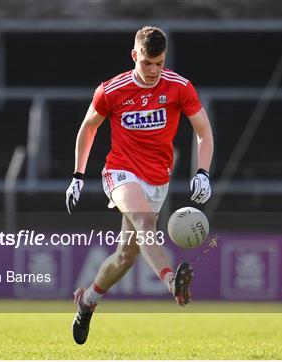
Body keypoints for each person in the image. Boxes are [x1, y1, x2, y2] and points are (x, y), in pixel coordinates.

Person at [65, 26, 214, 345]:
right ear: (135, 56)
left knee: (125, 256)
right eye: (147, 63)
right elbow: (88, 128)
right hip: (120, 173)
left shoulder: (178, 87)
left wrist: (203, 171)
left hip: (157, 180)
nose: (154, 70)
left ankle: (88, 300)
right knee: (146, 223)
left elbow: (204, 131)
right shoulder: (111, 90)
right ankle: (174, 283)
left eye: (159, 63)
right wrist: (78, 175)